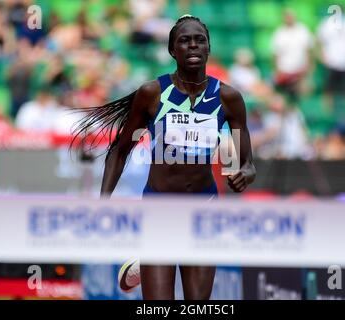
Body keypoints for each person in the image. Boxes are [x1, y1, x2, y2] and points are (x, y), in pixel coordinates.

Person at [73, 15, 256, 300]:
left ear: (208, 48)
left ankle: (140, 263)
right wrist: (103, 204)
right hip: (159, 210)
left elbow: (245, 163)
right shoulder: (152, 94)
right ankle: (145, 260)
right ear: (173, 51)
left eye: (200, 40)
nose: (193, 46)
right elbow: (120, 151)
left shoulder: (228, 99)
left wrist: (244, 173)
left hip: (203, 211)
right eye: (184, 41)